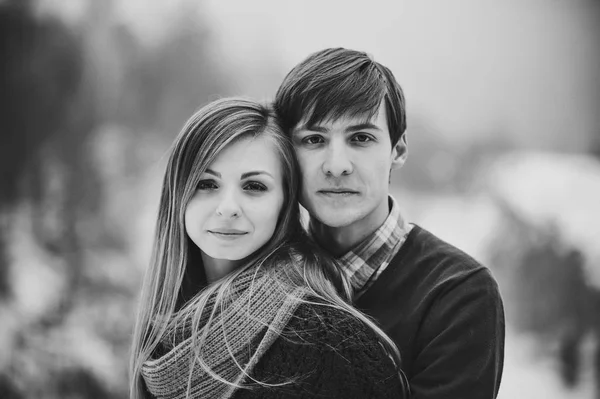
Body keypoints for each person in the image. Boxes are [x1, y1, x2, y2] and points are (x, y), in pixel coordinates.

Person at [128, 98, 410, 399]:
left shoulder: (327, 342)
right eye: (206, 184)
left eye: (254, 187)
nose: (228, 208)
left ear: (285, 202)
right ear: (177, 195)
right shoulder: (161, 338)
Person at [273, 47, 506, 398]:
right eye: (314, 140)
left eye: (361, 138)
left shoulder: (458, 294)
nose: (337, 165)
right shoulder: (262, 276)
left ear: (398, 150)